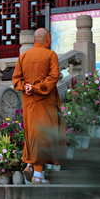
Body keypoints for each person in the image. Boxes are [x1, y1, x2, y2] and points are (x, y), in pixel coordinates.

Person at [12, 28, 66, 184]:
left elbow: (16, 79)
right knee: (43, 135)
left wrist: (26, 86)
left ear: (34, 40)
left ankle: (30, 164)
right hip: (45, 101)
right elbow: (54, 77)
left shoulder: (23, 56)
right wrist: (36, 88)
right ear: (48, 40)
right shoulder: (50, 55)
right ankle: (38, 176)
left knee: (32, 133)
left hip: (29, 103)